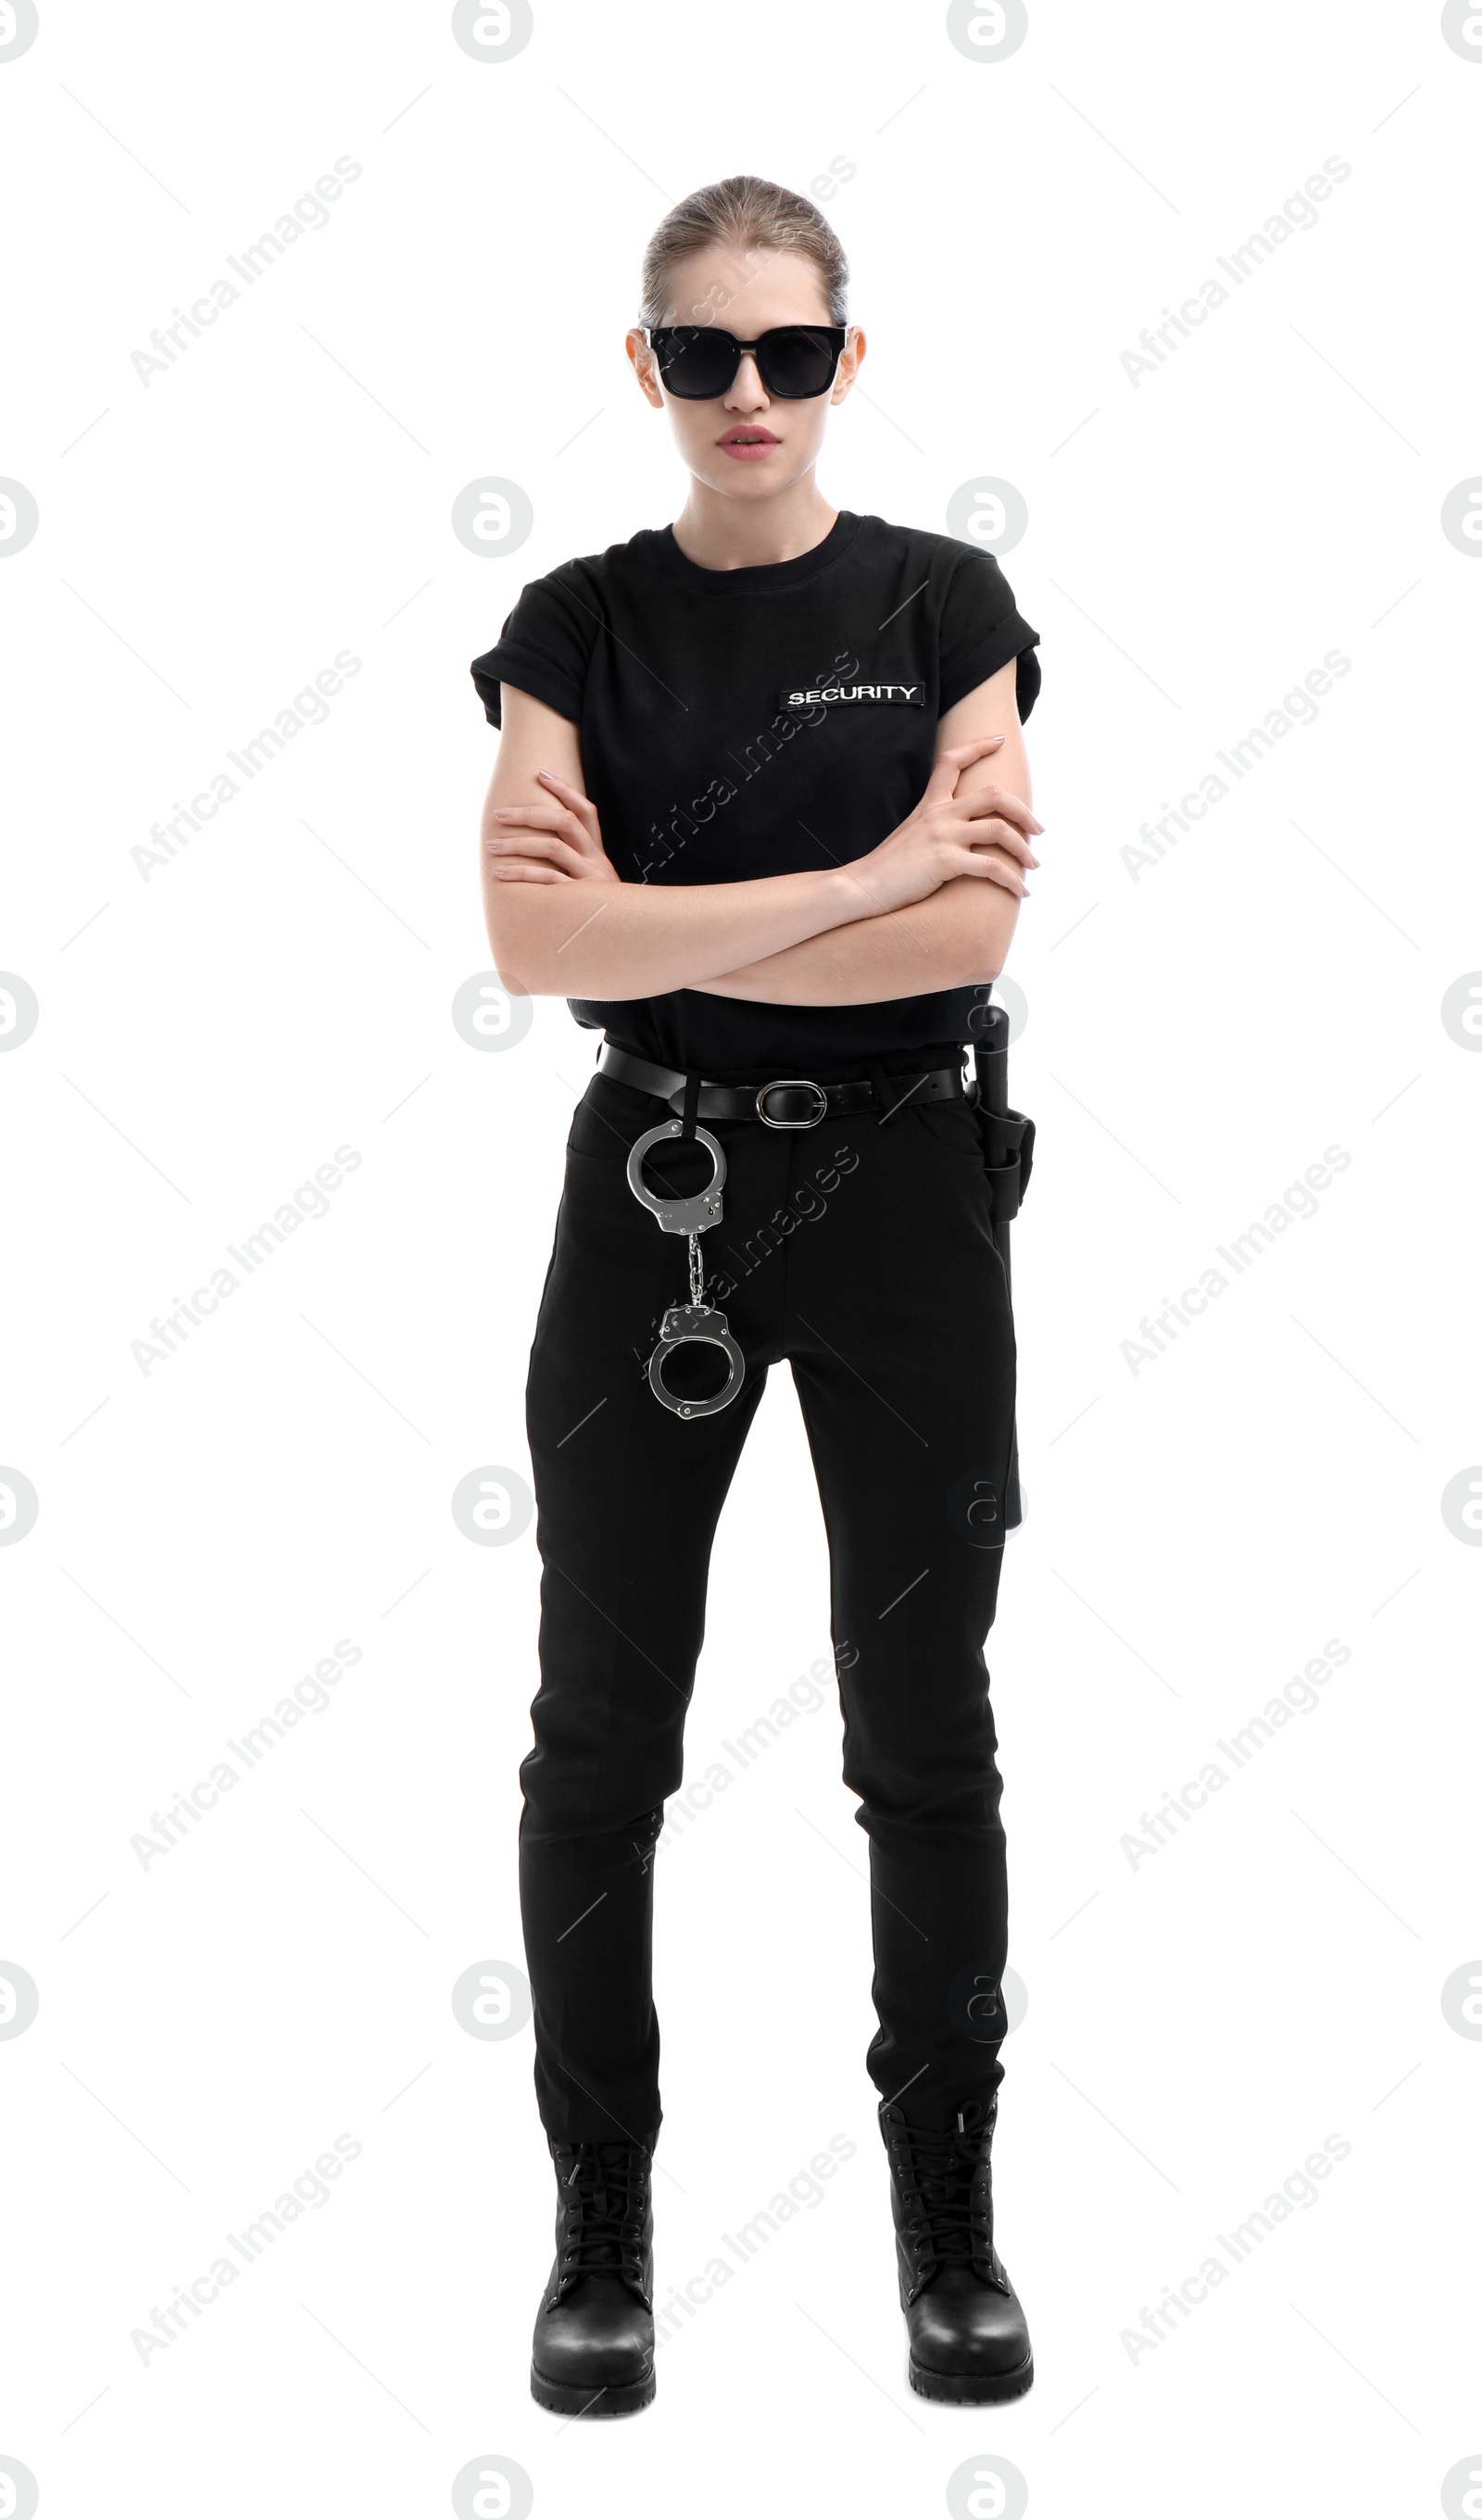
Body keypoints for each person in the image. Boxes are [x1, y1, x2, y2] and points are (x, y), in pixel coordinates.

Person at [471, 174, 1044, 2416]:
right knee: (598, 1736)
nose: (742, 392)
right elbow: (528, 952)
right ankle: (598, 2230)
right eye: (700, 351)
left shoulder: (942, 600)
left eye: (784, 353)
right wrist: (865, 864)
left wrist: (676, 908)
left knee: (926, 1734)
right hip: (658, 1194)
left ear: (841, 363)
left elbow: (961, 944)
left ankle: (948, 2231)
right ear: (645, 364)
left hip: (906, 1194)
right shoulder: (574, 625)